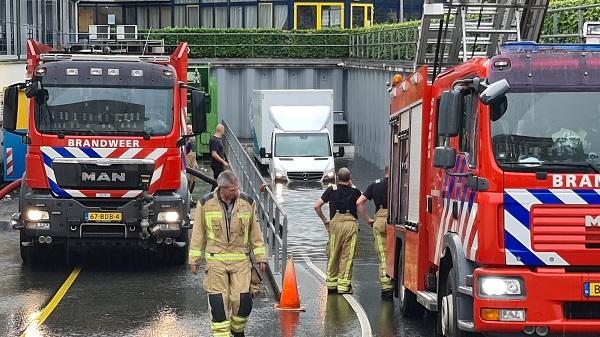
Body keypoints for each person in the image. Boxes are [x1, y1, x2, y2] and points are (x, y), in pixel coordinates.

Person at [189, 170, 267, 337]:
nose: (236, 192)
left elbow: (255, 232)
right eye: (232, 190)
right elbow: (198, 233)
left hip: (241, 261)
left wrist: (261, 257)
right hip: (216, 261)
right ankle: (221, 334)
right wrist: (194, 260)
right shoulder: (205, 203)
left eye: (237, 188)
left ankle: (237, 330)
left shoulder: (248, 202)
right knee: (218, 303)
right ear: (221, 188)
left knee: (243, 302)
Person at [314, 167, 362, 294]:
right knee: (348, 255)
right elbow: (362, 200)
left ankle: (331, 284)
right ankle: (344, 286)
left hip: (335, 224)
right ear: (349, 178)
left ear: (337, 177)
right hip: (350, 224)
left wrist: (325, 220)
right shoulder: (355, 191)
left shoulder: (331, 189)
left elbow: (317, 206)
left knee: (333, 253)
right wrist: (352, 185)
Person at [356, 165, 393, 299]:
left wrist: (368, 220)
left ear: (385, 172)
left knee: (384, 255)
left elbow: (359, 202)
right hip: (397, 222)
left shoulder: (375, 185)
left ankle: (386, 286)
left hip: (380, 221)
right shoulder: (401, 184)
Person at [209, 124, 229, 190]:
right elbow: (214, 154)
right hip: (217, 165)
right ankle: (213, 195)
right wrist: (223, 162)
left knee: (218, 181)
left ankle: (214, 194)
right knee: (219, 182)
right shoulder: (216, 141)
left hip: (217, 164)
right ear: (222, 130)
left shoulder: (216, 139)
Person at [185, 125, 199, 195]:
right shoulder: (185, 139)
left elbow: (193, 151)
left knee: (194, 178)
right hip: (187, 160)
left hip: (192, 160)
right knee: (188, 178)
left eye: (191, 130)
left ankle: (190, 193)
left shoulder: (193, 138)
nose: (191, 132)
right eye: (189, 130)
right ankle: (188, 193)